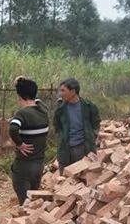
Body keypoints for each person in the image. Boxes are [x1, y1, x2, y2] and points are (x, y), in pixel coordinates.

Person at [10, 77, 49, 206]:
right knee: (33, 201)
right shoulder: (43, 111)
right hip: (39, 165)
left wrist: (20, 144)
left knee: (25, 202)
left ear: (19, 96)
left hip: (23, 166)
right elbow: (38, 101)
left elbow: (13, 128)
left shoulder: (22, 114)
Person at [53, 78, 101, 173]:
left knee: (85, 177)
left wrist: (92, 136)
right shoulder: (61, 109)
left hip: (84, 147)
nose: (60, 93)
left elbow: (96, 123)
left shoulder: (88, 106)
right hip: (66, 149)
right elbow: (57, 126)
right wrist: (61, 138)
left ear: (73, 91)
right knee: (66, 180)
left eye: (63, 90)